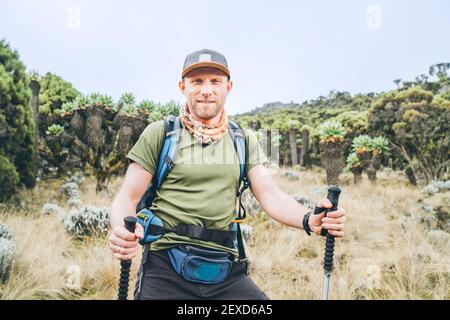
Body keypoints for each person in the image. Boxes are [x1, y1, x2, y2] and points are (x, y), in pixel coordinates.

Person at [109, 49, 346, 300]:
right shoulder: (161, 133)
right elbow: (127, 197)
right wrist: (120, 230)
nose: (206, 90)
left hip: (223, 266)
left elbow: (270, 195)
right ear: (183, 86)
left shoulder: (242, 139)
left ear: (228, 87)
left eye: (215, 81)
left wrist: (309, 219)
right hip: (164, 265)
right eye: (197, 81)